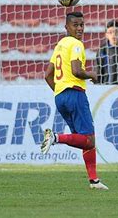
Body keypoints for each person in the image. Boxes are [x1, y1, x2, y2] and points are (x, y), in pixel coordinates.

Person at [42, 12, 108, 190]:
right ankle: (55, 137)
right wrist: (92, 75)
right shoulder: (76, 44)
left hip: (60, 96)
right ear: (67, 27)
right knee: (89, 139)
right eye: (75, 25)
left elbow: (47, 75)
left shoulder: (60, 45)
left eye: (82, 25)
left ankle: (94, 181)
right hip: (75, 94)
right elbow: (77, 71)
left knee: (84, 140)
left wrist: (59, 91)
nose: (79, 29)